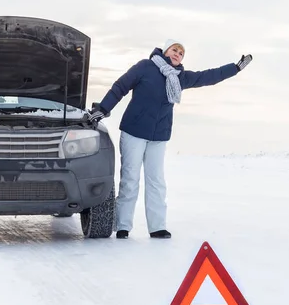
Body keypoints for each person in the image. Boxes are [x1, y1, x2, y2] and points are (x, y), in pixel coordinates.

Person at [88, 39, 253, 239]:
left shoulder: (180, 77)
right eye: (175, 50)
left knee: (156, 180)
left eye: (181, 53)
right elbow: (120, 86)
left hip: (159, 135)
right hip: (134, 131)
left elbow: (208, 76)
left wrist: (235, 68)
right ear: (166, 50)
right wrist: (103, 109)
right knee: (130, 179)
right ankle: (123, 226)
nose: (178, 54)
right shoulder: (145, 67)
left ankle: (157, 227)